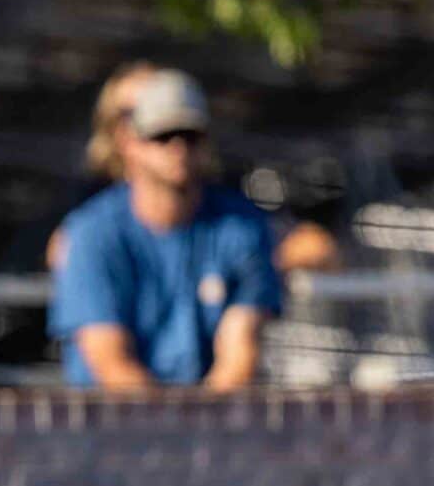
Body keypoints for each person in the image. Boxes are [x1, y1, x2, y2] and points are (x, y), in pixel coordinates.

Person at [49, 66, 282, 390]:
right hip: (112, 429)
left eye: (190, 135)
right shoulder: (91, 233)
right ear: (129, 142)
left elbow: (238, 356)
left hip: (209, 427)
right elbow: (112, 367)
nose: (178, 148)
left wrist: (203, 432)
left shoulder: (242, 228)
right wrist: (180, 432)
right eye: (161, 135)